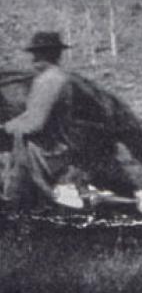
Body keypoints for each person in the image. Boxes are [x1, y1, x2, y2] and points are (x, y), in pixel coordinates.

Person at [1, 31, 75, 210]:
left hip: (44, 149)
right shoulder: (54, 77)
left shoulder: (49, 80)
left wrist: (5, 129)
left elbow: (35, 123)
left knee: (14, 191)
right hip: (52, 144)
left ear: (49, 54)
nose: (34, 58)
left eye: (38, 53)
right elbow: (30, 115)